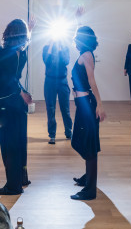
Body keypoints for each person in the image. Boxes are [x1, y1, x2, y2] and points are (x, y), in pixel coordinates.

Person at [0, 19, 34, 195]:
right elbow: (14, 77)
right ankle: (22, 178)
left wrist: (19, 92)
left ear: (7, 33)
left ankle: (13, 186)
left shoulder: (2, 52)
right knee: (20, 141)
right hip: (18, 103)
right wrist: (30, 30)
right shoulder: (21, 52)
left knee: (9, 145)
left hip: (8, 102)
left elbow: (6, 79)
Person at [70, 26, 106, 201]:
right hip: (82, 104)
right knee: (79, 141)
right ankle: (88, 176)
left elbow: (92, 81)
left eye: (77, 36)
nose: (75, 39)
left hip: (87, 105)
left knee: (87, 144)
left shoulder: (86, 55)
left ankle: (90, 189)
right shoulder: (85, 54)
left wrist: (99, 104)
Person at [42, 39, 73, 144]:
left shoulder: (65, 48)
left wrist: (60, 47)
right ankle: (52, 135)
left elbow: (65, 61)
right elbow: (46, 61)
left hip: (62, 81)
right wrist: (50, 45)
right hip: (49, 81)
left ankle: (69, 132)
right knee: (50, 109)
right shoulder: (46, 48)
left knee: (65, 108)